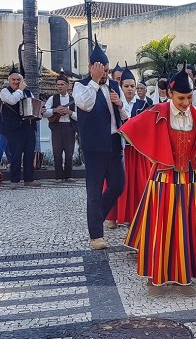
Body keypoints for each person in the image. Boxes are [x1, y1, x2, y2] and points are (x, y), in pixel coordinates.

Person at [121, 63, 196, 289]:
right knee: (161, 227)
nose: (186, 103)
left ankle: (186, 272)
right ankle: (156, 271)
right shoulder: (157, 112)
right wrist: (154, 155)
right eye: (181, 98)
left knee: (190, 228)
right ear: (170, 94)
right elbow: (131, 129)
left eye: (189, 98)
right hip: (163, 179)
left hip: (192, 180)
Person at [73, 39, 127, 250]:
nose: (105, 73)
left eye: (107, 70)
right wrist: (95, 82)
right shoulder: (81, 86)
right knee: (94, 191)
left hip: (115, 143)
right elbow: (84, 105)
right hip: (94, 146)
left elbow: (127, 115)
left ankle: (95, 217)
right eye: (101, 70)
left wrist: (120, 104)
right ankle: (96, 234)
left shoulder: (114, 86)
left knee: (118, 185)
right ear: (91, 68)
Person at [104, 63, 151, 229]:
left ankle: (134, 216)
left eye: (133, 86)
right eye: (126, 86)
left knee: (138, 185)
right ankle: (112, 216)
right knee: (116, 182)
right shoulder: (113, 104)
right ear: (121, 87)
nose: (130, 89)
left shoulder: (145, 105)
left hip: (137, 152)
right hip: (119, 149)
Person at [0, 63, 40, 190]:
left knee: (29, 154)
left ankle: (29, 179)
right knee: (16, 155)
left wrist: (40, 111)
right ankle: (14, 180)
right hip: (14, 129)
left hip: (28, 127)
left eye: (18, 80)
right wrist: (20, 90)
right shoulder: (4, 92)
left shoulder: (28, 92)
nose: (16, 82)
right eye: (14, 80)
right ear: (9, 80)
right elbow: (12, 100)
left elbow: (34, 106)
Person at [42, 73, 78, 182]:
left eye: (62, 84)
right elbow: (44, 112)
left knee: (69, 152)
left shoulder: (73, 99)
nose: (59, 86)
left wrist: (69, 112)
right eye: (58, 85)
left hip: (69, 127)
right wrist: (54, 110)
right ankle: (58, 176)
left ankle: (68, 175)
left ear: (67, 86)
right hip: (56, 127)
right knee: (57, 152)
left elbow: (80, 116)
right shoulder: (52, 98)